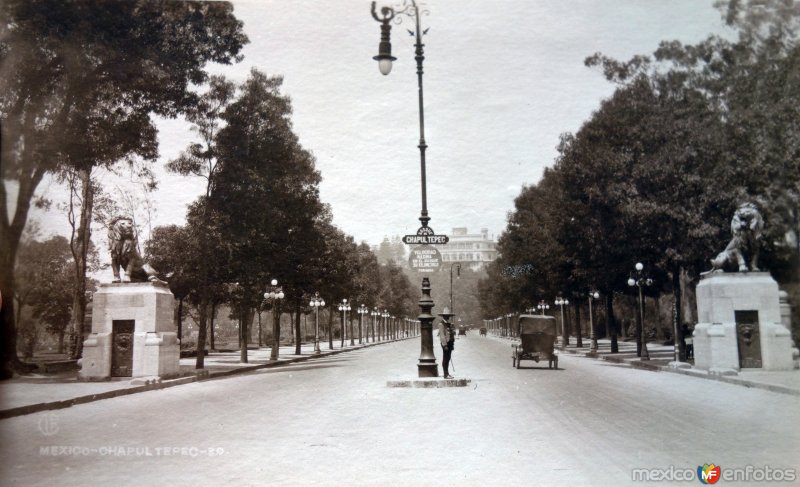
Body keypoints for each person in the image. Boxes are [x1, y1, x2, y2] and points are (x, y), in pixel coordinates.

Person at [438, 307, 456, 379]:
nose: (447, 317)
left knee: (448, 358)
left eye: (448, 315)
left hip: (450, 343)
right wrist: (445, 345)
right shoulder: (441, 324)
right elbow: (442, 335)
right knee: (445, 358)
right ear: (443, 316)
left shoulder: (449, 323)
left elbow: (452, 333)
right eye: (446, 315)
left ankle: (447, 373)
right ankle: (445, 374)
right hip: (446, 343)